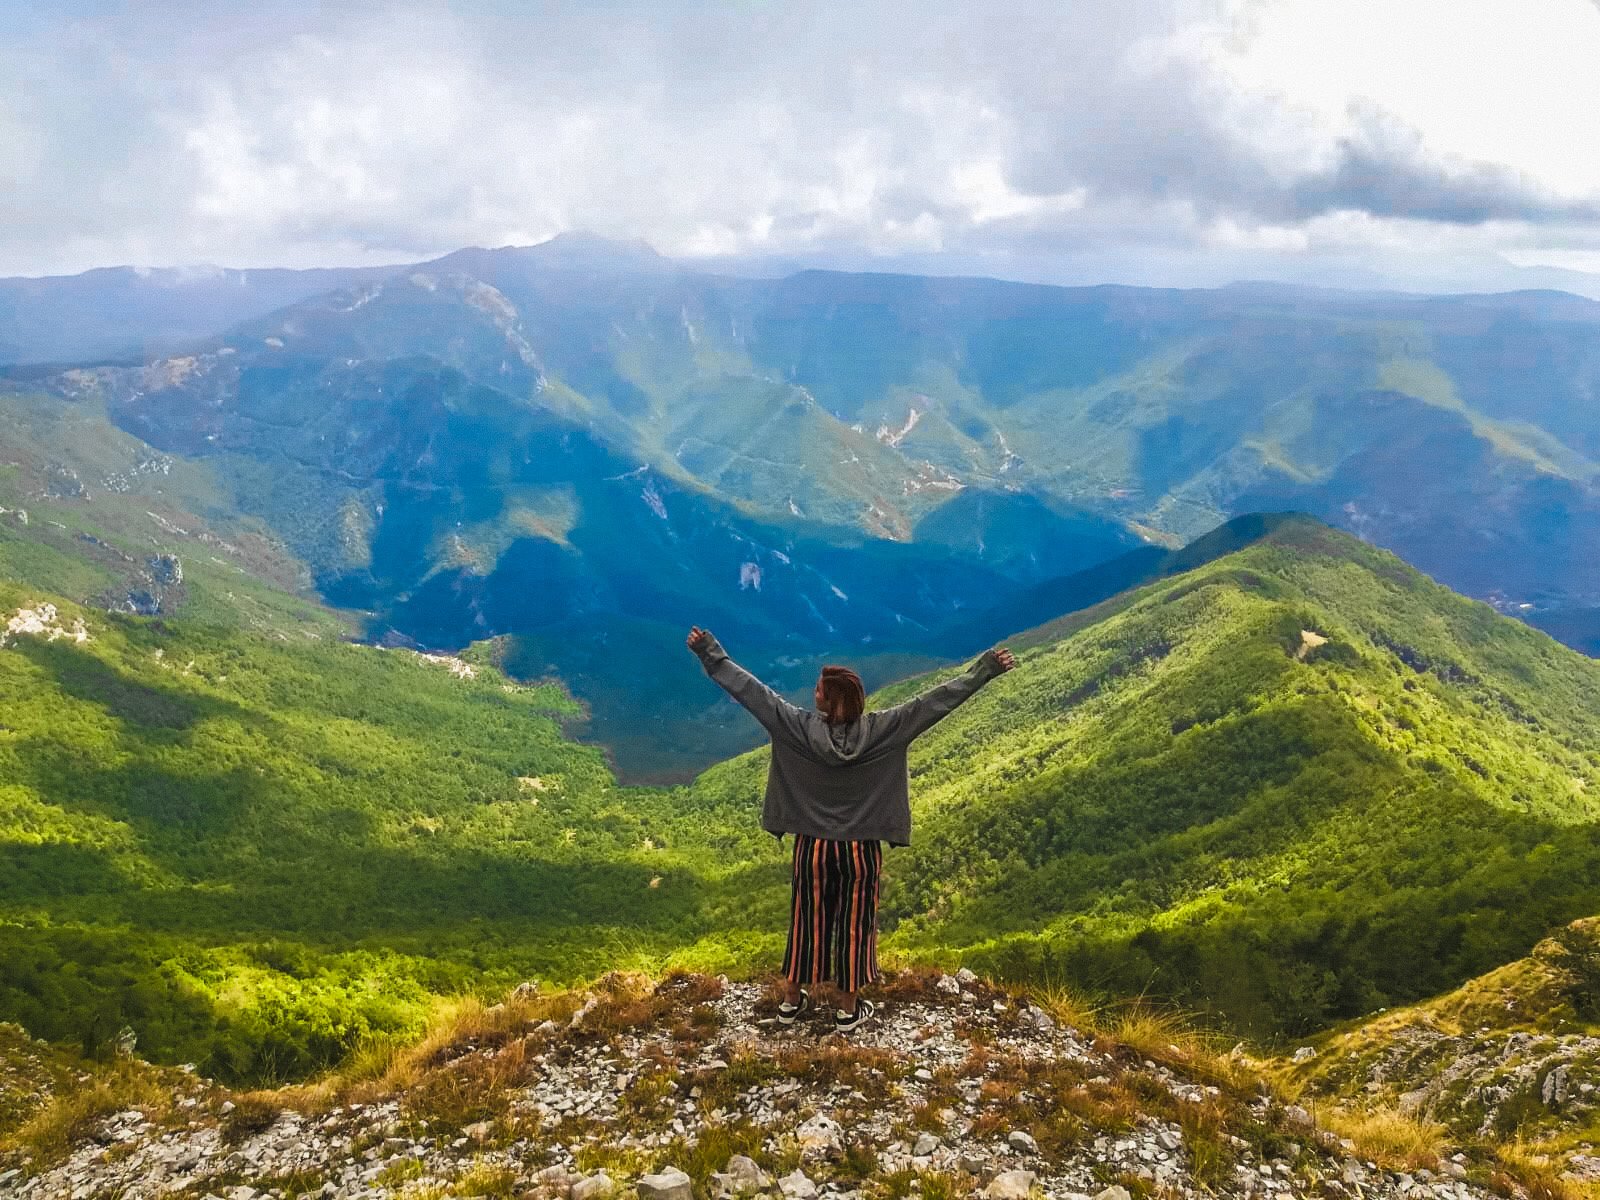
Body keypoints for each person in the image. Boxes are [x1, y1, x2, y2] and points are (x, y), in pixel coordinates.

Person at [686, 626, 1016, 1034]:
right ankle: (846, 1011)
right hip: (860, 850)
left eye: (819, 689)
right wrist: (985, 670)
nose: (814, 693)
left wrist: (709, 652)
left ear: (829, 699)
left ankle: (791, 1002)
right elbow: (935, 702)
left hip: (814, 848)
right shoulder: (885, 730)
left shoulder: (798, 728)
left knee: (807, 919)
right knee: (855, 923)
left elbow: (751, 691)